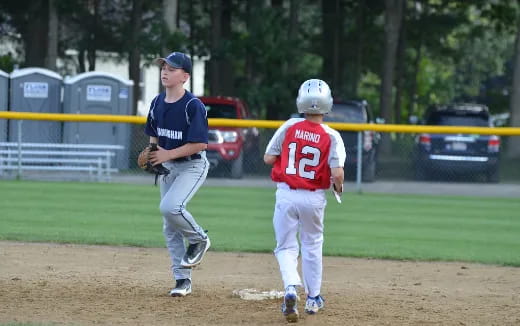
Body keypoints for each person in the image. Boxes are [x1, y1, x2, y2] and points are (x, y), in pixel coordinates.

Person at [263, 79, 346, 322]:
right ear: (327, 104)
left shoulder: (289, 126)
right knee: (312, 245)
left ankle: (290, 287)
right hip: (313, 197)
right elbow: (337, 173)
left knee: (286, 246)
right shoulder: (332, 136)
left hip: (286, 193)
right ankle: (313, 299)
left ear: (300, 102)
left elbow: (269, 158)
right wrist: (338, 187)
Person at [144, 51, 211, 297]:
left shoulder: (193, 106)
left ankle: (199, 239)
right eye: (163, 67)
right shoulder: (157, 102)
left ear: (184, 76)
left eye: (172, 69)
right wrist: (153, 153)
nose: (165, 71)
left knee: (171, 207)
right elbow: (154, 132)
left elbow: (200, 144)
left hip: (192, 165)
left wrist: (166, 155)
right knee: (169, 227)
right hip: (169, 166)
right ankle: (182, 280)